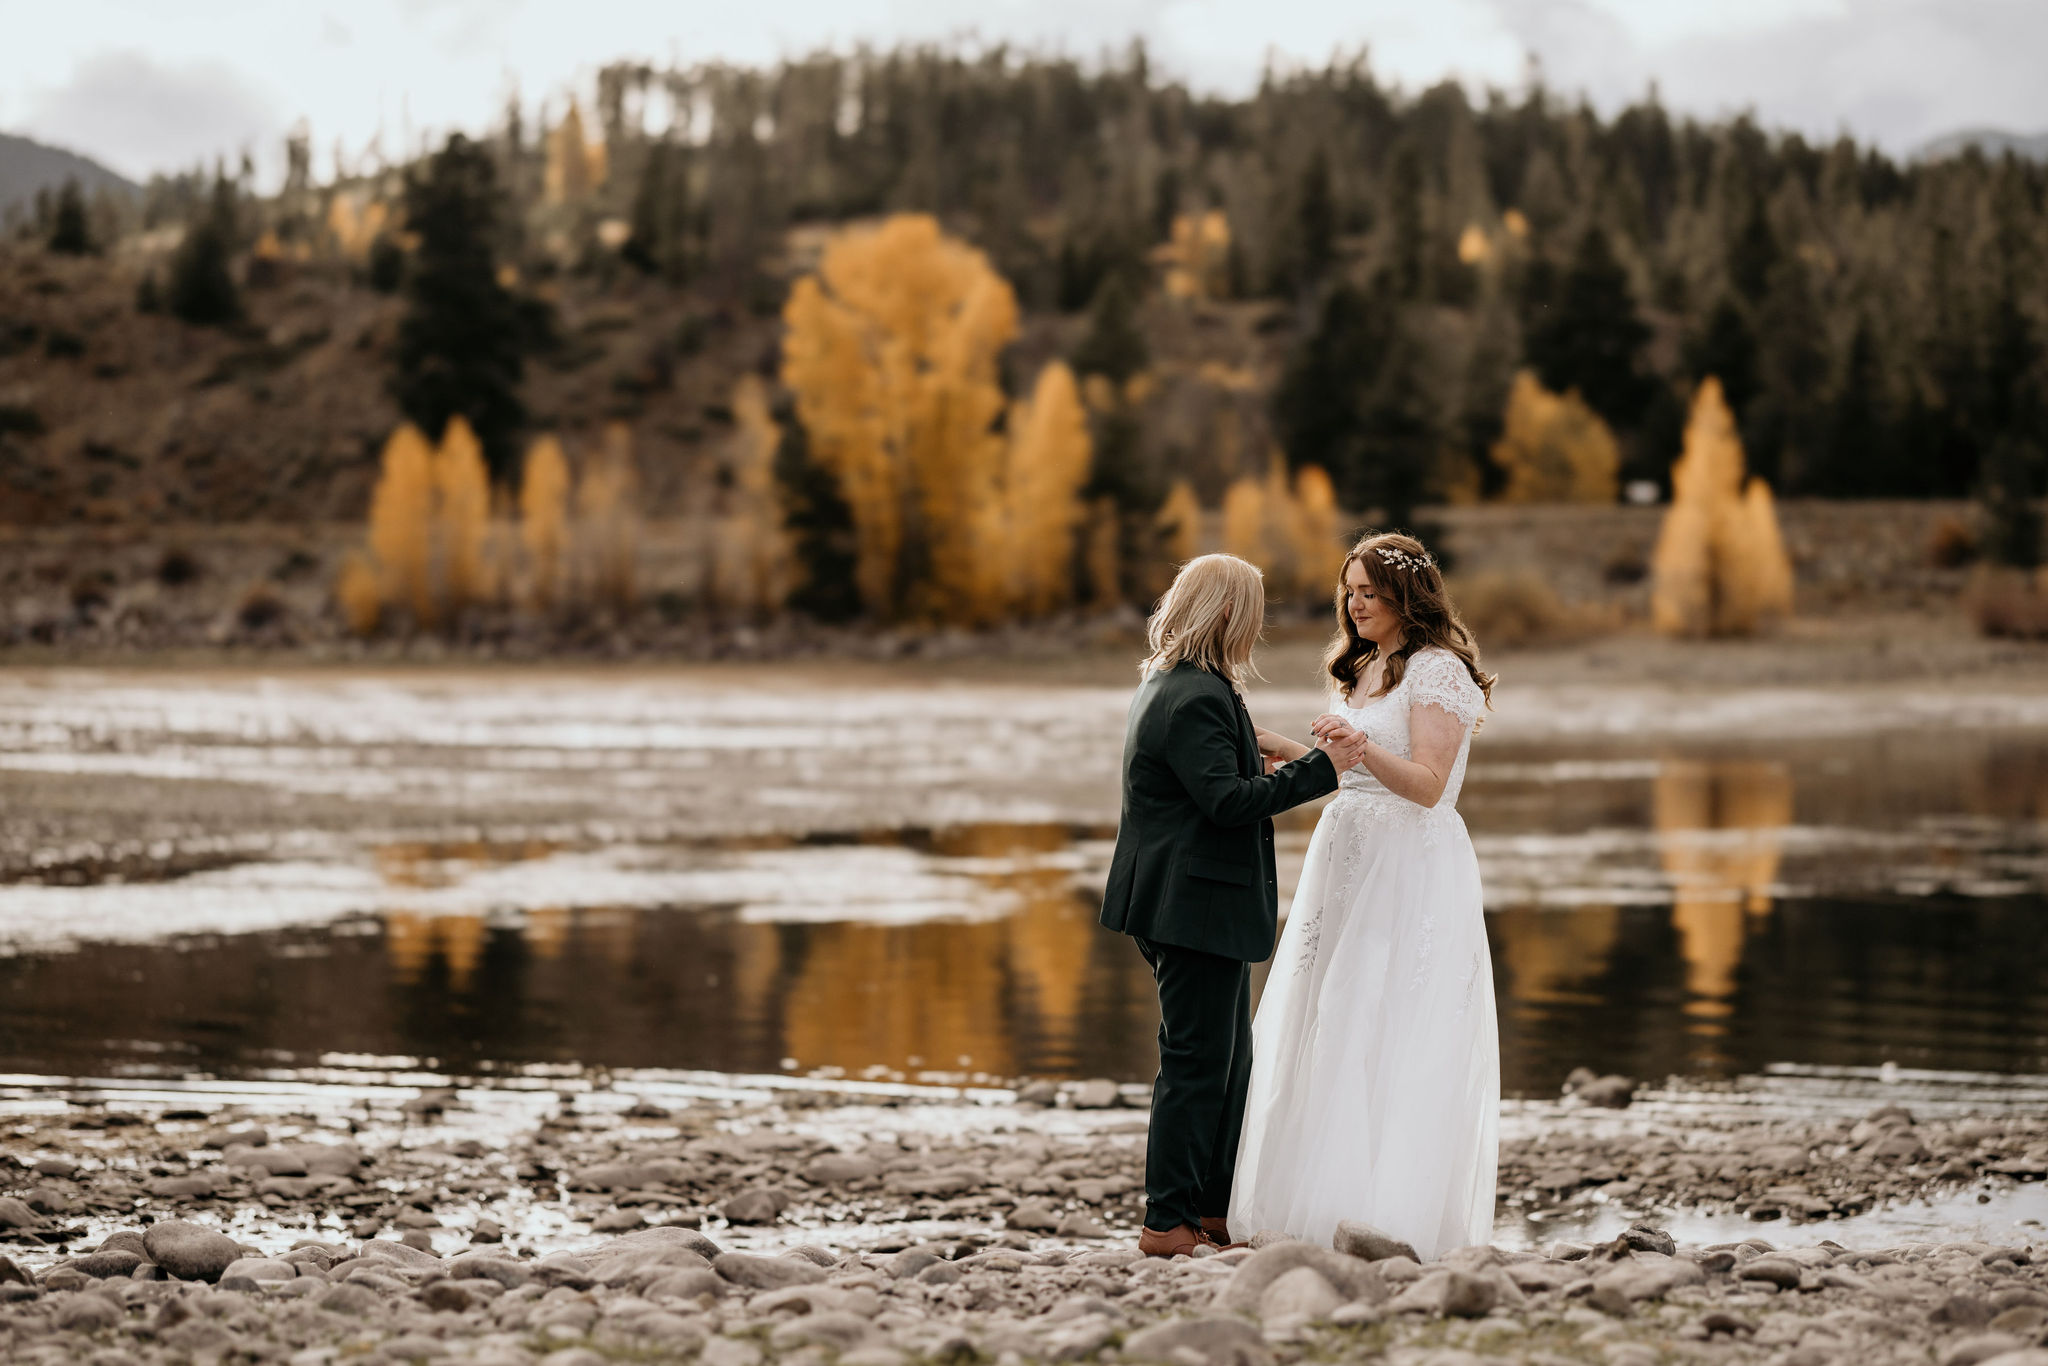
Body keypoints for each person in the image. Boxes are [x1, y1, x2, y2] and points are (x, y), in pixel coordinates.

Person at [1228, 531, 1500, 1261]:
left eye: (1369, 592)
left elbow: (1428, 787)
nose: (1354, 604)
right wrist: (1283, 746)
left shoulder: (1438, 671)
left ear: (1406, 596)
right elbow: (1345, 767)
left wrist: (1354, 744)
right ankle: (1314, 1205)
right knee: (1331, 1009)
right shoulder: (1363, 667)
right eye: (1348, 590)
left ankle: (1387, 1209)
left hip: (1407, 862)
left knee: (1385, 1013)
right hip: (1347, 853)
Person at [1099, 553, 1369, 1259]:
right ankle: (1167, 1221)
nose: (1257, 629)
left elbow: (1211, 775)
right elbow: (1224, 802)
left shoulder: (1186, 684)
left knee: (1228, 1060)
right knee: (1194, 1063)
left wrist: (1263, 753)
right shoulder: (1192, 693)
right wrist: (1323, 768)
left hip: (1187, 903)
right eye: (1252, 615)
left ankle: (1212, 1210)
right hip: (1189, 908)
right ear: (1226, 615)